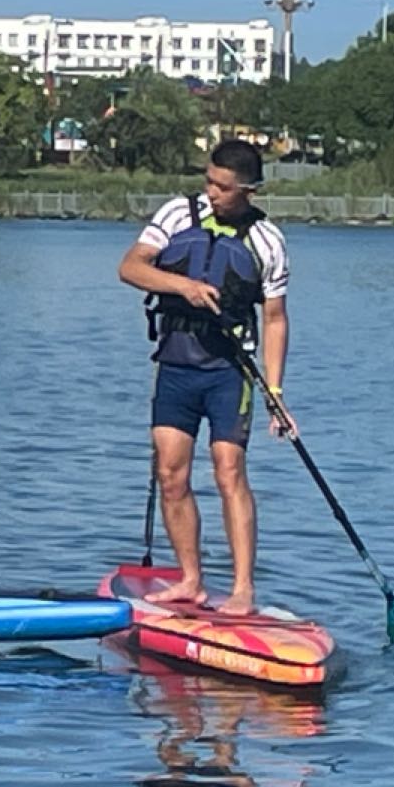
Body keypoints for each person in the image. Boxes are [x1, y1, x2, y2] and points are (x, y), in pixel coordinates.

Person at [118, 140, 294, 614]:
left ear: (249, 190)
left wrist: (274, 392)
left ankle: (242, 590)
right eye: (208, 181)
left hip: (228, 373)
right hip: (176, 365)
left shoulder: (268, 241)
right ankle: (190, 580)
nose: (211, 192)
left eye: (222, 187)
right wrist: (185, 287)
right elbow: (130, 268)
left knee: (228, 472)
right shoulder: (178, 214)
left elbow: (275, 319)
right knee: (171, 475)